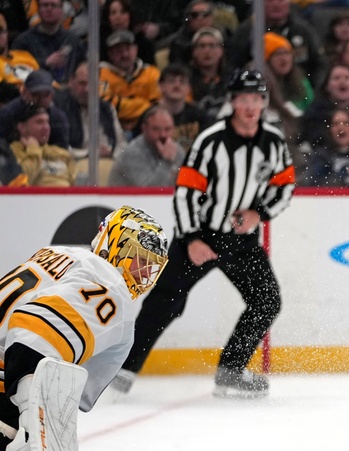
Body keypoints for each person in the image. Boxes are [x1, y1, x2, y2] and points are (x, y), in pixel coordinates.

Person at [0, 206, 169, 451]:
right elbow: (33, 334)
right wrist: (35, 422)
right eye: (136, 258)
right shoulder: (111, 287)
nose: (142, 272)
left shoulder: (60, 254)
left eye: (150, 265)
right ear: (110, 243)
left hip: (9, 378)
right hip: (8, 387)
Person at [111, 70, 295, 398]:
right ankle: (121, 370)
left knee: (267, 301)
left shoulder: (274, 142)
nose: (250, 105)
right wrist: (192, 238)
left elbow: (285, 187)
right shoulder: (211, 141)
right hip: (202, 238)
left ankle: (230, 370)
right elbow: (185, 192)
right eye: (243, 99)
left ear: (264, 103)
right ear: (232, 102)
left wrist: (259, 214)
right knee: (164, 302)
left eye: (256, 99)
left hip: (241, 242)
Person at [53, 61, 126, 162]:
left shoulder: (107, 108)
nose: (87, 89)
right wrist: (88, 153)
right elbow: (56, 148)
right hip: (74, 163)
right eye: (82, 83)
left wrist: (113, 154)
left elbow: (121, 143)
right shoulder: (58, 107)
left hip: (108, 162)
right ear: (71, 81)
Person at [99, 30, 161, 133]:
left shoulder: (152, 73)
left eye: (128, 49)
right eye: (118, 51)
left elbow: (158, 105)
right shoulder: (100, 74)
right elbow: (106, 105)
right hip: (112, 130)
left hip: (148, 130)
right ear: (110, 53)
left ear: (136, 49)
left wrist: (122, 105)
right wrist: (145, 105)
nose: (124, 55)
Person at [108, 105, 185, 187]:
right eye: (156, 129)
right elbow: (150, 192)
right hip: (125, 199)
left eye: (168, 129)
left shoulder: (177, 151)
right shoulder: (132, 153)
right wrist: (167, 162)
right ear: (144, 128)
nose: (163, 135)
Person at [10, 103, 74, 186]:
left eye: (47, 122)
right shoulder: (12, 153)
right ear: (22, 127)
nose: (46, 127)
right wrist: (34, 150)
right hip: (34, 198)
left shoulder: (61, 153)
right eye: (39, 122)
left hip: (67, 197)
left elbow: (75, 182)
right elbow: (19, 183)